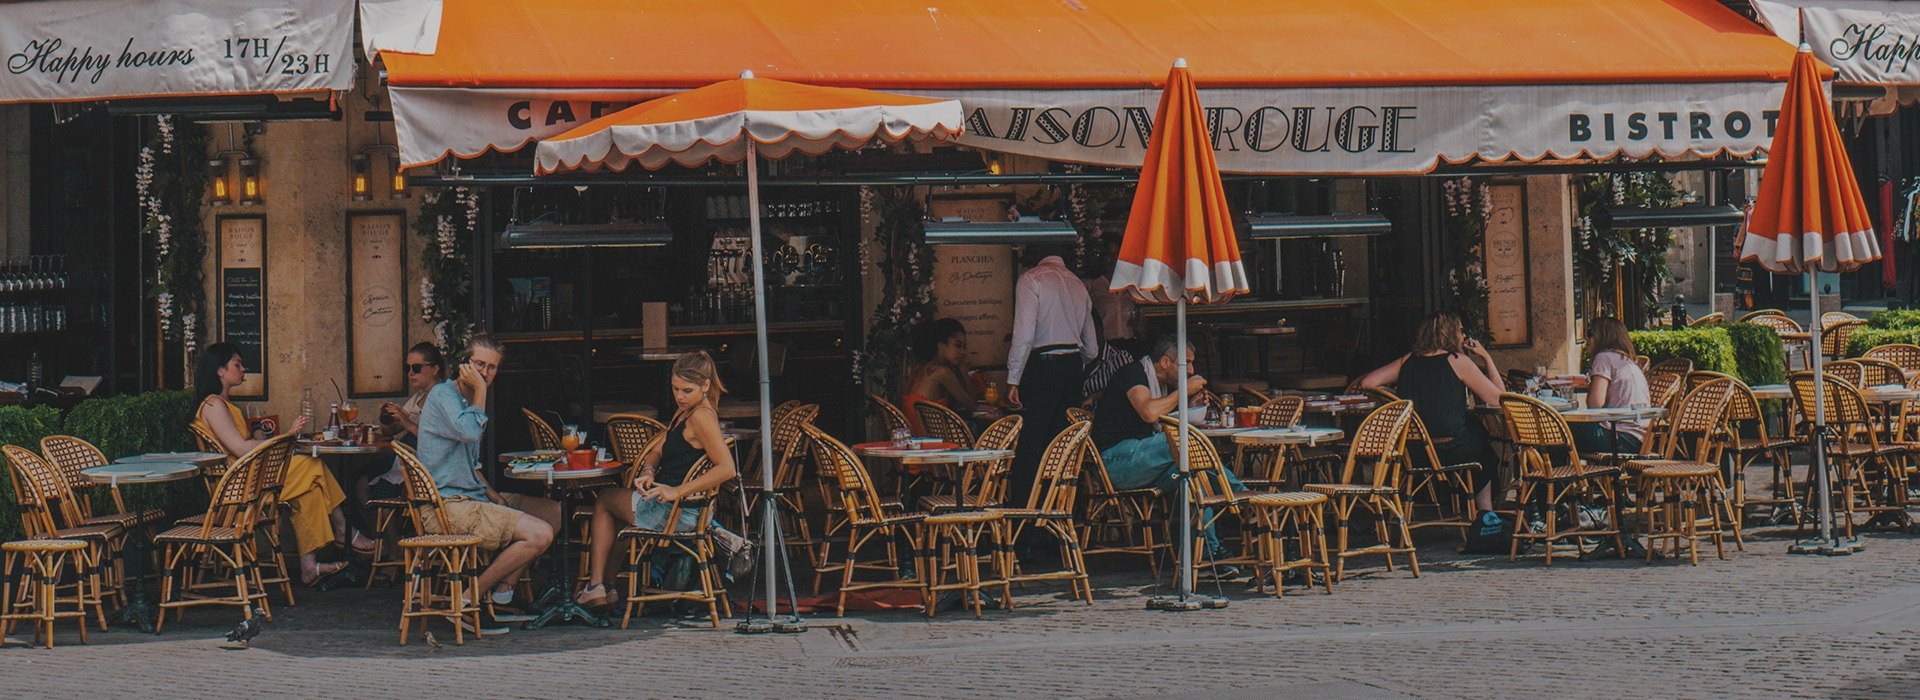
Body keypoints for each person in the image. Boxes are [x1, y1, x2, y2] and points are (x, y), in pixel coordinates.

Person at [192, 342, 375, 586]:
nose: (243, 369)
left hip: (250, 476)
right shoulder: (213, 405)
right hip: (240, 487)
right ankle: (342, 527)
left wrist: (258, 434)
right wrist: (285, 438)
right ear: (220, 370)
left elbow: (243, 443)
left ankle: (310, 568)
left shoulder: (224, 405)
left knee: (309, 488)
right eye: (237, 364)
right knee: (313, 466)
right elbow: (239, 448)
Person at [415, 333, 562, 633]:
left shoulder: (467, 399)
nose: (485, 373)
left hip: (473, 498)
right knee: (540, 534)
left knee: (553, 512)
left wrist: (494, 495)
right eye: (479, 364)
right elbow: (470, 432)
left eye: (492, 368)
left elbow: (473, 464)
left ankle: (503, 592)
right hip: (448, 507)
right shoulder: (443, 395)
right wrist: (481, 391)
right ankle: (469, 598)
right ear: (463, 364)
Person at [576, 351, 746, 608]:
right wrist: (648, 471)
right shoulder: (685, 411)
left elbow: (727, 469)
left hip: (678, 512)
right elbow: (657, 449)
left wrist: (678, 491)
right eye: (675, 388)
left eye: (687, 390)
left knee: (605, 500)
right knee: (617, 512)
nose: (679, 396)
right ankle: (605, 587)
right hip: (673, 506)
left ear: (705, 386)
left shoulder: (701, 416)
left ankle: (596, 586)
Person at [1087, 335, 1242, 572]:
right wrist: (1183, 392)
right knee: (1184, 440)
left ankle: (1209, 554)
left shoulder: (1161, 385)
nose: (1191, 370)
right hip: (1115, 463)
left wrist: (1190, 406)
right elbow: (1149, 413)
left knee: (1192, 472)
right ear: (1166, 362)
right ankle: (1244, 496)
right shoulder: (1133, 373)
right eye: (1186, 363)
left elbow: (1162, 420)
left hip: (1143, 463)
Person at [1356, 311, 1502, 517]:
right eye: (1460, 331)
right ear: (1450, 333)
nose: (1462, 336)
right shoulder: (1457, 361)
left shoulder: (1407, 361)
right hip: (1452, 448)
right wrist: (1486, 357)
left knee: (1475, 433)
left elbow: (1367, 383)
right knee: (1484, 447)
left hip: (1412, 451)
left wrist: (1396, 399)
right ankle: (1486, 513)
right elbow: (1499, 399)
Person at [1005, 251, 1098, 506]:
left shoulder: (1031, 278)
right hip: (1072, 368)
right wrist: (1071, 365)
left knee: (1031, 445)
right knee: (1061, 446)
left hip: (1043, 365)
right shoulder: (1077, 284)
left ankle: (1025, 520)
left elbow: (1024, 334)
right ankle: (1058, 516)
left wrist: (1014, 378)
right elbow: (1092, 349)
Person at [365, 342, 444, 501]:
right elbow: (390, 432)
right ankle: (377, 527)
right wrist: (386, 416)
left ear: (435, 369)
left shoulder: (444, 397)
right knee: (360, 482)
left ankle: (389, 527)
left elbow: (438, 439)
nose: (410, 373)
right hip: (405, 461)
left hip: (424, 469)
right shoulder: (419, 397)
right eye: (407, 368)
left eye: (416, 368)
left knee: (379, 489)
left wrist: (406, 420)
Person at [902, 318, 993, 435]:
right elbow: (972, 404)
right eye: (957, 346)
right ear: (941, 345)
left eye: (963, 347)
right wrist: (963, 371)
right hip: (931, 440)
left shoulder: (918, 368)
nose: (962, 352)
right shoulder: (942, 372)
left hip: (914, 437)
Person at [1574, 317, 1650, 455]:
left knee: (1556, 430)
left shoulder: (1603, 357)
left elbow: (1595, 404)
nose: (1586, 337)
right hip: (1640, 438)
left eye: (1590, 333)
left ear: (1602, 336)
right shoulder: (1626, 360)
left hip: (1619, 435)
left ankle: (1558, 474)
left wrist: (1592, 384)